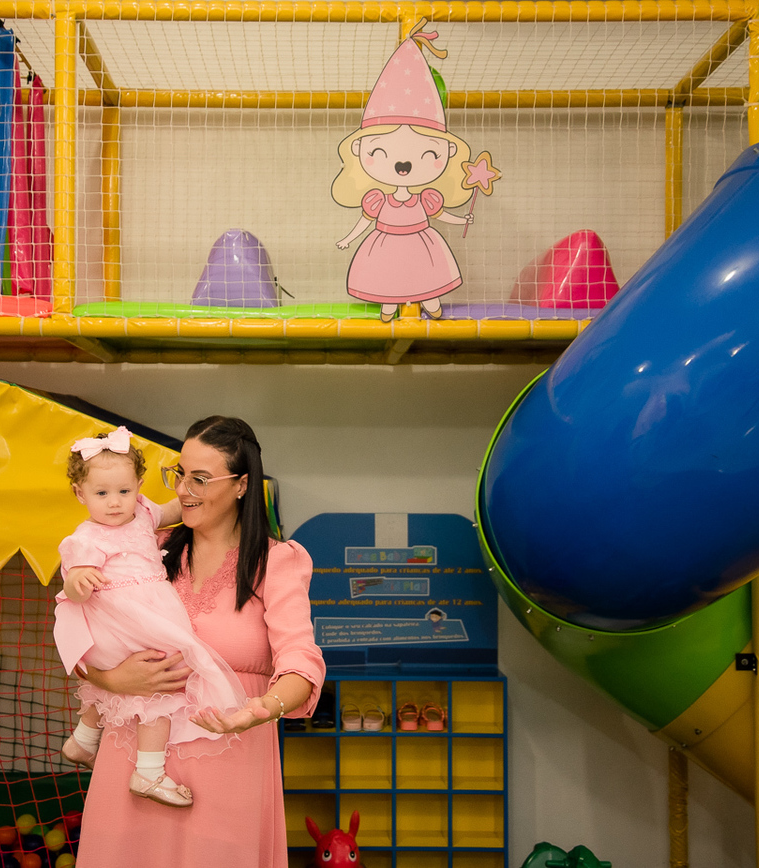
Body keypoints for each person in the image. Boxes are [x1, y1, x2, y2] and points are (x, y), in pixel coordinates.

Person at [73, 416, 326, 866]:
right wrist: (111, 680)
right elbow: (77, 634)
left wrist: (260, 709)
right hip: (130, 762)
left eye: (200, 479)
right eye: (179, 474)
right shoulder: (141, 547)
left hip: (228, 757)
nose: (183, 490)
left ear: (242, 485)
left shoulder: (275, 562)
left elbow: (301, 665)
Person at [53, 426, 262, 808]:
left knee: (152, 675)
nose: (114, 503)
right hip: (122, 619)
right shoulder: (85, 538)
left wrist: (207, 498)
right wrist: (78, 582)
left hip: (145, 614)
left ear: (138, 487)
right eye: (101, 494)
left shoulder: (144, 515)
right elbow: (73, 584)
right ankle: (148, 772)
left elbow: (176, 509)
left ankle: (83, 738)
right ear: (80, 494)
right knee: (163, 680)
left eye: (124, 491)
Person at [332, 19, 480, 323]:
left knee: (426, 273)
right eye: (380, 152)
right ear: (359, 149)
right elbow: (365, 220)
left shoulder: (426, 198)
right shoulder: (377, 199)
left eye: (428, 153)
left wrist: (461, 218)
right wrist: (349, 238)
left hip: (420, 241)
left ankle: (430, 300)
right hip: (386, 241)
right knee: (388, 275)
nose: (403, 165)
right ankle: (389, 304)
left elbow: (440, 215)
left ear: (448, 151)